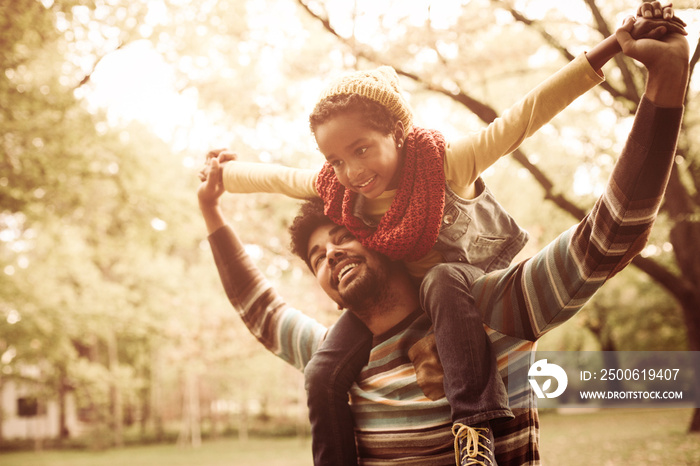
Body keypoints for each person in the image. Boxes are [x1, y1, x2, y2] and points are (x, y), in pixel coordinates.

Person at [198, 9, 689, 463]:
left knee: (442, 284)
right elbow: (259, 303)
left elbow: (609, 231)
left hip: (461, 294)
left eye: (341, 239)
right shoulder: (335, 357)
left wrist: (663, 79)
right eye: (317, 257)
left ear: (373, 237)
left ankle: (474, 425)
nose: (332, 254)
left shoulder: (494, 315)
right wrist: (216, 201)